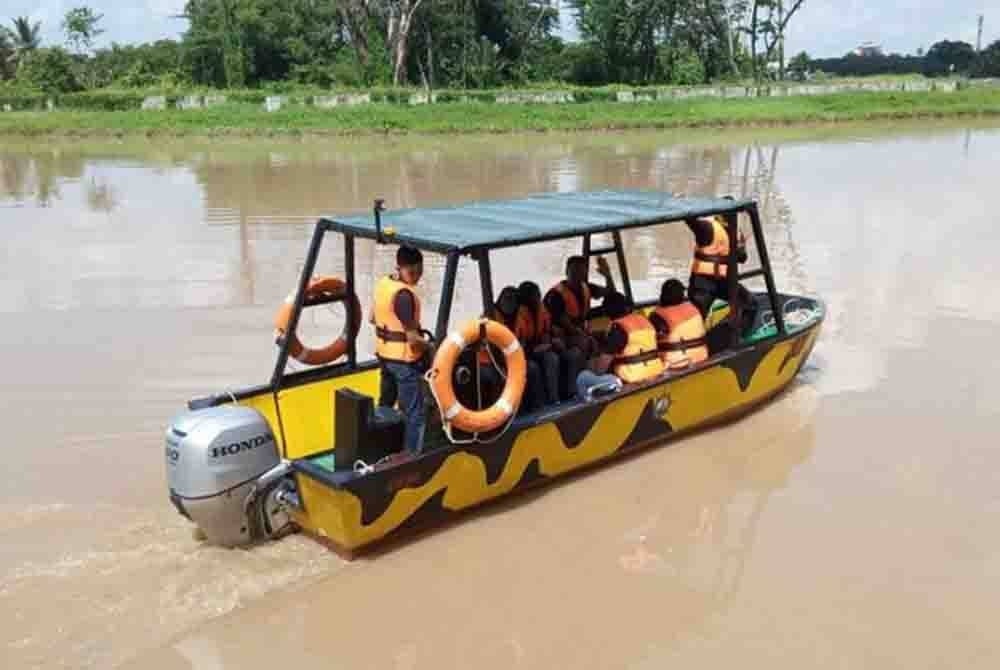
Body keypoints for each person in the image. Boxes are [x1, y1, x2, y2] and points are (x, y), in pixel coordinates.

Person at [372, 245, 429, 454]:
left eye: (419, 271)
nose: (416, 276)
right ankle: (412, 457)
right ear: (400, 268)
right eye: (412, 272)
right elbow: (414, 341)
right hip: (404, 363)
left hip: (385, 358)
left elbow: (372, 318)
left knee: (385, 406)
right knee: (415, 414)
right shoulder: (404, 296)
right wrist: (434, 346)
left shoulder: (383, 285)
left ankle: (380, 449)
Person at [479, 286, 546, 414]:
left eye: (513, 300)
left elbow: (523, 341)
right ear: (500, 300)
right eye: (507, 299)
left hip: (510, 359)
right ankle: (501, 414)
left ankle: (536, 406)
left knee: (532, 368)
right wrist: (509, 366)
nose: (510, 303)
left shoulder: (519, 316)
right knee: (499, 377)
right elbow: (493, 350)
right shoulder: (490, 317)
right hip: (487, 362)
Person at [686, 215, 758, 336]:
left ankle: (739, 337)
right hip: (702, 283)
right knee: (696, 319)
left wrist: (741, 247)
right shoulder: (708, 227)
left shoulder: (735, 231)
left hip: (724, 282)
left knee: (750, 303)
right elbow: (691, 221)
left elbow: (742, 258)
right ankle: (692, 346)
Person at [544, 255, 616, 357]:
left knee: (610, 336)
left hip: (580, 331)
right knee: (585, 344)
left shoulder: (586, 287)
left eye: (581, 271)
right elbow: (567, 325)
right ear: (567, 272)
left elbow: (611, 293)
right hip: (561, 336)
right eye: (574, 271)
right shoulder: (556, 294)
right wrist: (587, 337)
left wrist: (607, 275)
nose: (577, 274)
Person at [587, 291, 664, 384]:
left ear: (606, 311)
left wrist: (593, 358)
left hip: (632, 377)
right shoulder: (644, 320)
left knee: (583, 377)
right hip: (656, 370)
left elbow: (600, 369)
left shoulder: (618, 329)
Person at [515, 281, 570, 406]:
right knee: (533, 368)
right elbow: (517, 346)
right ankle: (539, 403)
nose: (537, 298)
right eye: (534, 295)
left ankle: (554, 399)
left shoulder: (542, 309)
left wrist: (552, 340)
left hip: (540, 348)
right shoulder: (518, 314)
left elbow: (547, 330)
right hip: (522, 354)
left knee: (552, 358)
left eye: (538, 295)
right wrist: (533, 350)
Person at [650, 279, 709, 370]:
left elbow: (650, 342)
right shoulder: (694, 308)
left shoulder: (657, 316)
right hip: (701, 356)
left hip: (674, 363)